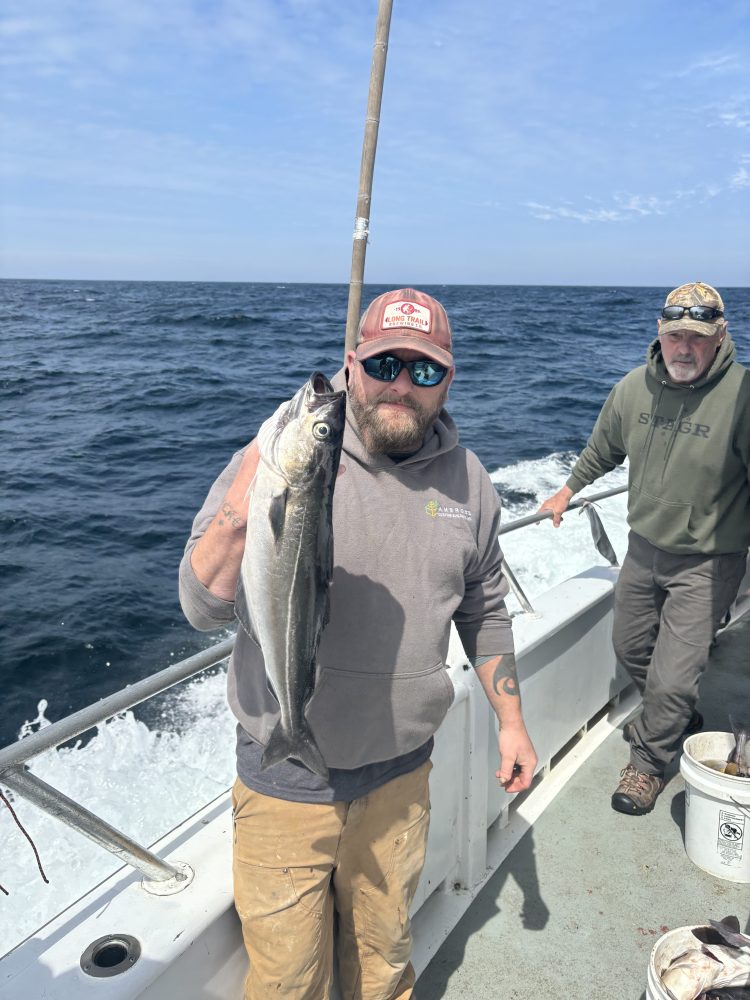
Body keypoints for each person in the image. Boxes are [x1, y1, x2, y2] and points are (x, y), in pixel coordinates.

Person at [179, 287, 537, 999]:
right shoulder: (285, 449)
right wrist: (257, 488)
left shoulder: (469, 484)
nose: (402, 384)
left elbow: (486, 609)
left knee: (383, 969)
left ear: (449, 380)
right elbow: (200, 607)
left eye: (425, 370)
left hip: (400, 781)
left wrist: (513, 723)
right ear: (353, 363)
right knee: (284, 986)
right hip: (284, 787)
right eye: (384, 364)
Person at [539, 281, 750, 817]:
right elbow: (602, 448)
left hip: (709, 560)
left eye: (697, 338)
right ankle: (674, 714)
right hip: (644, 548)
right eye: (675, 334)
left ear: (720, 337)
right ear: (659, 332)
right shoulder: (633, 388)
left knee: (675, 676)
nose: (684, 348)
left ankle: (648, 764)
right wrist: (568, 490)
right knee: (631, 647)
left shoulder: (743, 397)